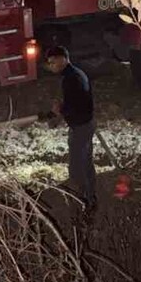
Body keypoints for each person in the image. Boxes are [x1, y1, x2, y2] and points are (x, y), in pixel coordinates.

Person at [45, 46, 96, 212]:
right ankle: (90, 196)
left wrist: (60, 110)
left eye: (53, 61)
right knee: (86, 162)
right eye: (49, 63)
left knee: (77, 166)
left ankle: (83, 201)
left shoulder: (71, 78)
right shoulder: (76, 74)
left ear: (63, 59)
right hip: (86, 124)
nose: (51, 65)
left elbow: (76, 106)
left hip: (81, 127)